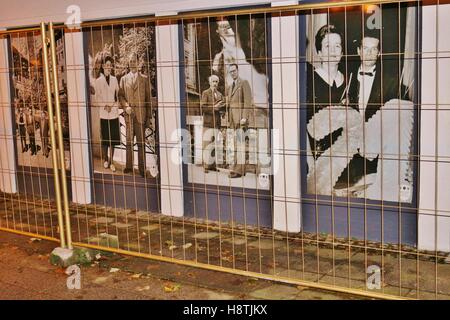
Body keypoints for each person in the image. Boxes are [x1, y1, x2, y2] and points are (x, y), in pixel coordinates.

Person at [305, 24, 362, 196]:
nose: (333, 50)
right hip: (318, 164)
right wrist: (309, 162)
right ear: (320, 52)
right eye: (328, 46)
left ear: (342, 52)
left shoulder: (352, 83)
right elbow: (301, 125)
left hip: (346, 166)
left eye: (338, 45)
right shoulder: (309, 80)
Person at [119, 53, 152, 177]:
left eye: (134, 61)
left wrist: (149, 117)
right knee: (128, 142)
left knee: (141, 143)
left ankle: (142, 169)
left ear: (138, 62)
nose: (132, 63)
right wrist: (126, 106)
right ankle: (128, 167)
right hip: (128, 116)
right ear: (129, 63)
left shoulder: (144, 79)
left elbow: (148, 99)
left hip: (141, 116)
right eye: (130, 61)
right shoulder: (123, 79)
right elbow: (120, 96)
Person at [226, 63, 253, 178]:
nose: (233, 73)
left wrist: (244, 117)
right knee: (237, 145)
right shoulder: (230, 86)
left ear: (238, 70)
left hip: (241, 120)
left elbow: (247, 101)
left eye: (234, 71)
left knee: (240, 145)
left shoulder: (244, 83)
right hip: (233, 120)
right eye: (230, 71)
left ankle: (238, 171)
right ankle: (239, 169)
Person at [95, 56, 120, 173]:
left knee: (113, 139)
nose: (109, 67)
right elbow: (97, 97)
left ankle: (111, 162)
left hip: (113, 113)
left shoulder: (115, 80)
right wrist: (105, 106)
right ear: (103, 66)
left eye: (111, 65)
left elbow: (117, 96)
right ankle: (105, 159)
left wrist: (113, 106)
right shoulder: (98, 81)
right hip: (104, 113)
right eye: (107, 65)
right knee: (105, 138)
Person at [200, 75, 225, 173]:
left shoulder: (219, 94)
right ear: (210, 82)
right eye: (213, 81)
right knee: (207, 145)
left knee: (214, 145)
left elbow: (222, 108)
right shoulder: (205, 93)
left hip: (216, 123)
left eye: (216, 82)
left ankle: (212, 166)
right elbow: (203, 107)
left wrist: (222, 108)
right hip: (208, 123)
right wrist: (214, 107)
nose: (215, 83)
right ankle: (206, 166)